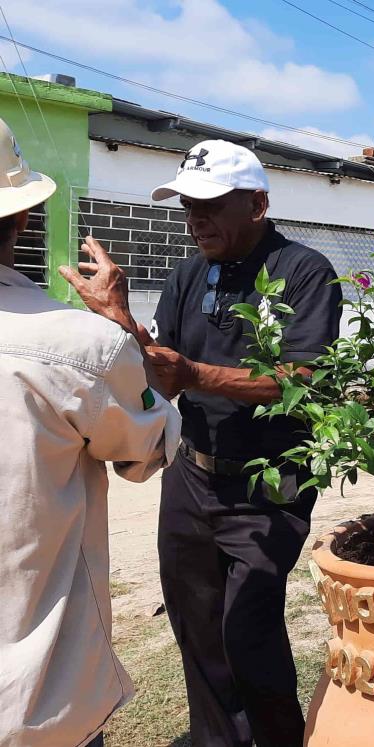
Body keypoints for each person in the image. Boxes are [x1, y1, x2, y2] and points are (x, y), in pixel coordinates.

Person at [71, 140, 342, 747]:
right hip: (190, 478)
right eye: (189, 205)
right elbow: (161, 362)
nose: (197, 219)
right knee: (196, 629)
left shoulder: (304, 272)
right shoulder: (188, 273)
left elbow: (302, 379)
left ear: (257, 204)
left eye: (213, 204)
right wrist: (120, 317)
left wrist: (194, 374)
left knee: (248, 629)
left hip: (266, 486)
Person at [0, 117, 181, 747]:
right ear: (23, 220)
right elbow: (146, 449)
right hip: (32, 702)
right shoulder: (76, 345)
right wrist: (120, 328)